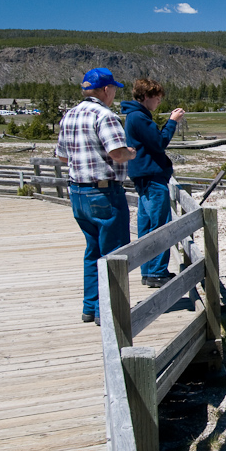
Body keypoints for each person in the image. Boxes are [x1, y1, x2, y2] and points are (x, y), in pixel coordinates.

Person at [54, 68, 136, 325]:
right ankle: (108, 311)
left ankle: (90, 306)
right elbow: (117, 153)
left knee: (93, 250)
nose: (113, 94)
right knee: (113, 253)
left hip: (77, 190)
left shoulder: (69, 115)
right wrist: (131, 152)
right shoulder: (105, 115)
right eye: (113, 89)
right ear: (105, 90)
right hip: (104, 192)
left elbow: (62, 157)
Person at [121, 79, 185, 288]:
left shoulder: (134, 116)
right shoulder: (139, 117)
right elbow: (159, 143)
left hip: (143, 176)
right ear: (146, 97)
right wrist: (172, 121)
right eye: (157, 99)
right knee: (159, 224)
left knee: (147, 225)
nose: (158, 103)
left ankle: (149, 270)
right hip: (151, 176)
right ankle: (157, 271)